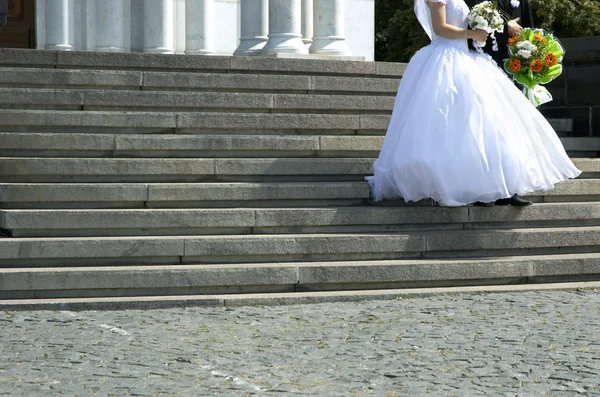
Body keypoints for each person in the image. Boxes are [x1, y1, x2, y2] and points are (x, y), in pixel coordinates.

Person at [365, 0, 581, 207]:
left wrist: (487, 30)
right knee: (451, 124)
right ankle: (454, 185)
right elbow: (439, 28)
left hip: (468, 56)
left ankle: (493, 187)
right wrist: (473, 34)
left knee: (488, 121)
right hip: (444, 59)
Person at [465, 0, 534, 68]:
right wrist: (505, 29)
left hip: (518, 64)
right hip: (487, 63)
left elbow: (528, 28)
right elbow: (471, 32)